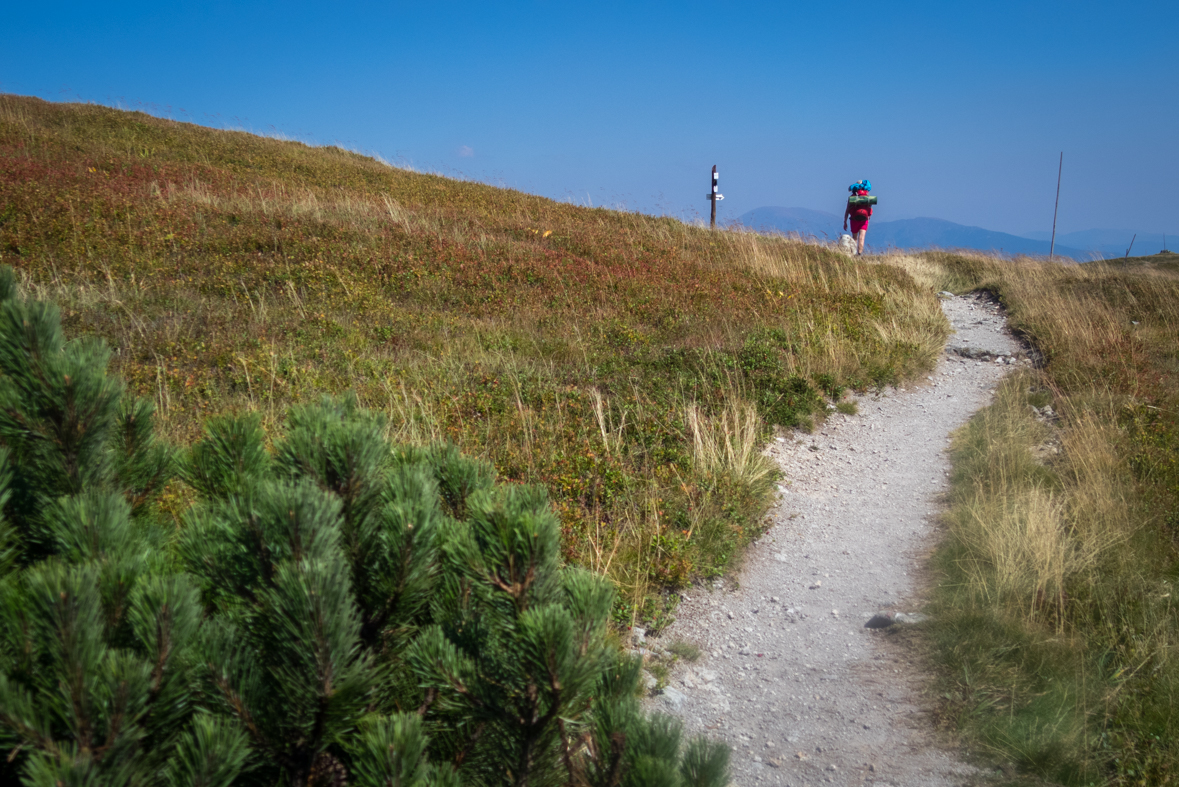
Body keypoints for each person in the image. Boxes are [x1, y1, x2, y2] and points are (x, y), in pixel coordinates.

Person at [843, 180, 873, 256]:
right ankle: (859, 254)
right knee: (862, 237)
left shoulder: (852, 197)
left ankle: (853, 254)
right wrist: (868, 220)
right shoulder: (867, 196)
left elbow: (847, 210)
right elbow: (869, 210)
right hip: (864, 219)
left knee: (854, 238)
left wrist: (845, 222)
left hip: (854, 219)